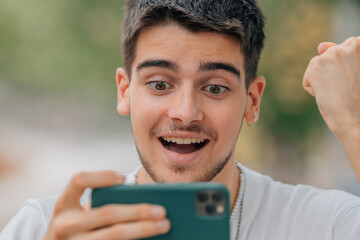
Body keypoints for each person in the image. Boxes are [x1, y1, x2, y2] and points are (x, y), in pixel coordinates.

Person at [1, 0, 360, 239]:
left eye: (216, 88)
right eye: (160, 84)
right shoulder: (43, 227)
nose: (186, 112)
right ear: (124, 91)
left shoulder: (324, 224)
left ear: (252, 101)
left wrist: (350, 120)